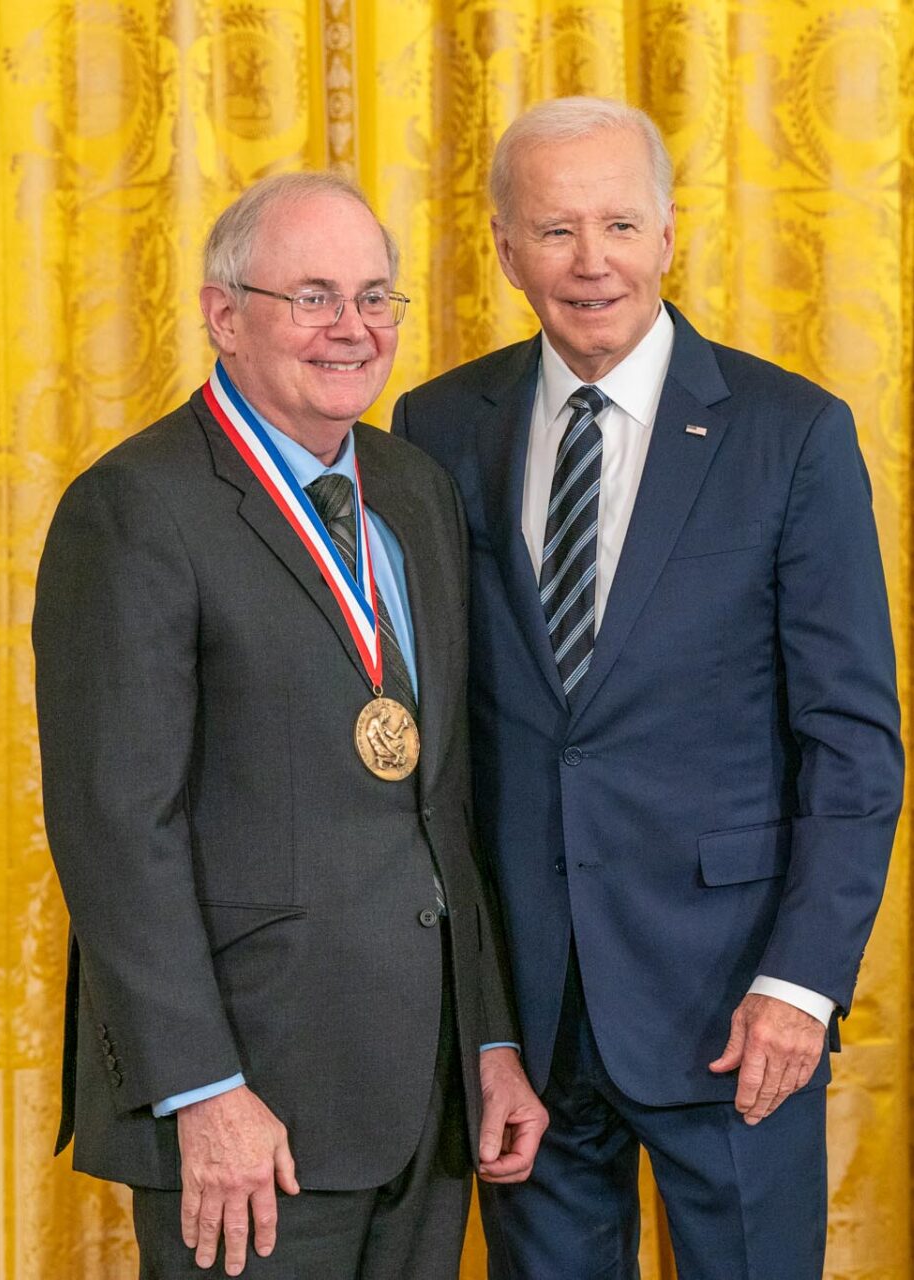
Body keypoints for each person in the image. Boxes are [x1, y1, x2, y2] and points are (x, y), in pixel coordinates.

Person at [393, 98, 904, 1277]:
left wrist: (801, 984)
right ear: (504, 245)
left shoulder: (791, 434)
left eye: (619, 223)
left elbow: (852, 741)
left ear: (670, 234)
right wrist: (480, 1016)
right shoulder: (434, 428)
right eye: (556, 229)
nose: (591, 261)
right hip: (529, 1017)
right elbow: (447, 744)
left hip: (734, 1010)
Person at [34, 171, 546, 1279]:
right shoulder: (136, 506)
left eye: (375, 296)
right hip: (249, 1106)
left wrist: (488, 1038)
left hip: (425, 1094)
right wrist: (204, 1090)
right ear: (227, 315)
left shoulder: (412, 488)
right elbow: (118, 828)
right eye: (313, 296)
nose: (353, 328)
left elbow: (441, 796)